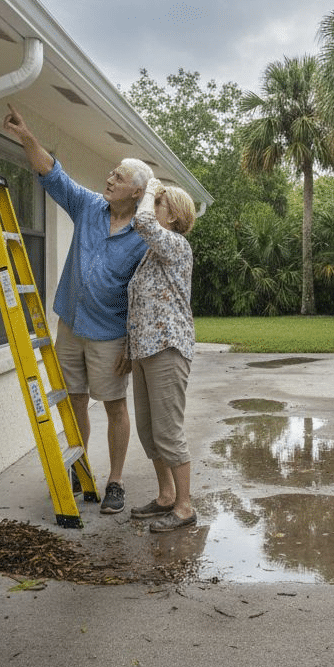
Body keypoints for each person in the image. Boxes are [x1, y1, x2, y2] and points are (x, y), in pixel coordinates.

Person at [1, 104, 152, 514]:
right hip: (70, 324)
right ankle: (79, 467)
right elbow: (53, 175)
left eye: (118, 178)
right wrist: (27, 136)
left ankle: (116, 482)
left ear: (137, 191)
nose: (109, 179)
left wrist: (132, 345)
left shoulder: (145, 235)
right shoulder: (87, 206)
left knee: (115, 406)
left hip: (111, 334)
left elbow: (145, 294)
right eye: (111, 173)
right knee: (75, 401)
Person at [124, 177, 199, 532]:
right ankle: (166, 496)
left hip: (168, 349)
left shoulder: (176, 245)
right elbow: (140, 305)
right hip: (144, 352)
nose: (151, 209)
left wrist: (152, 187)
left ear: (171, 218)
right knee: (149, 431)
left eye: (158, 205)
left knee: (168, 432)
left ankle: (185, 507)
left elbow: (142, 222)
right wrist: (130, 349)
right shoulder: (153, 253)